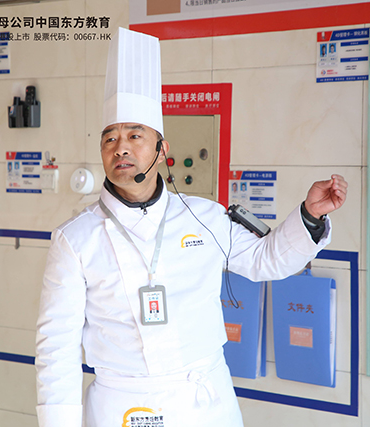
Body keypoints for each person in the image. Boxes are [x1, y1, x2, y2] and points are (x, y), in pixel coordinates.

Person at [35, 28, 348, 427]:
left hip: (205, 402)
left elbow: (266, 260)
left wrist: (309, 216)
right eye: (109, 139)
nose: (121, 148)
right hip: (123, 405)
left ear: (162, 150)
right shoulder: (75, 238)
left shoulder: (204, 216)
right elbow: (56, 348)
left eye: (135, 135)